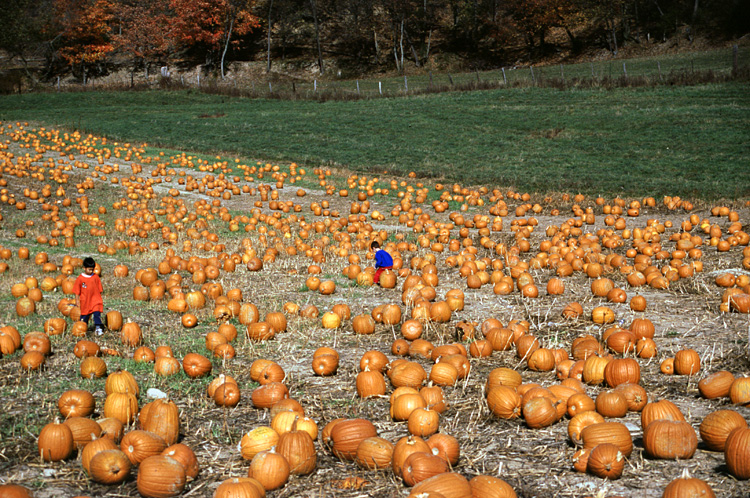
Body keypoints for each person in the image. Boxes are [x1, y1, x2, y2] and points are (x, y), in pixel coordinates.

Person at [73, 257, 104, 335]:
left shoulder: (95, 277)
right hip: (85, 301)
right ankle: (83, 328)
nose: (91, 271)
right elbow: (77, 291)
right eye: (89, 269)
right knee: (84, 316)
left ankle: (98, 327)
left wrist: (99, 297)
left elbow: (99, 289)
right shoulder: (80, 278)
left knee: (97, 314)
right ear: (84, 268)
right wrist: (77, 300)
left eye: (92, 269)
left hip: (95, 300)